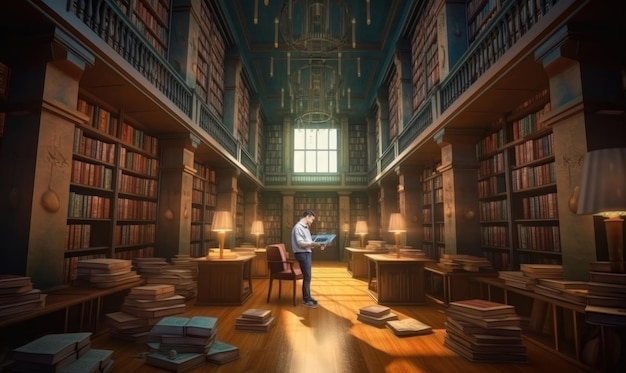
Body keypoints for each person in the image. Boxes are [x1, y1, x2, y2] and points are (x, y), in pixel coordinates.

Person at [291, 209, 325, 308]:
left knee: (308, 277)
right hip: (302, 254)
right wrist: (314, 243)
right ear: (307, 216)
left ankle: (308, 297)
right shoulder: (298, 227)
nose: (312, 221)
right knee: (307, 277)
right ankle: (306, 300)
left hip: (306, 253)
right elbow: (301, 243)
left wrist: (318, 244)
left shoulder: (305, 227)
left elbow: (308, 241)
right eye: (312, 219)